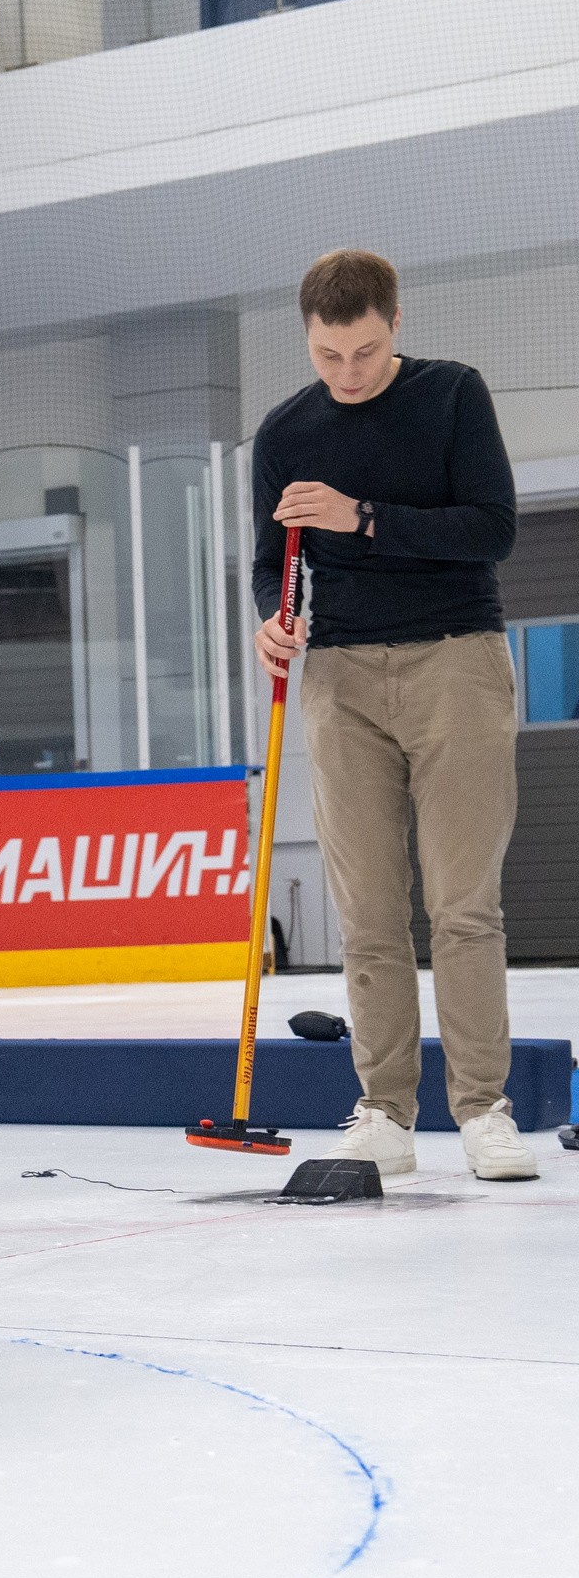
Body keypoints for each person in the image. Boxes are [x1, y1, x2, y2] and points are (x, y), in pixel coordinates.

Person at [253, 249, 532, 1182]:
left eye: (365, 353)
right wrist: (273, 617)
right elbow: (273, 557)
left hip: (456, 657)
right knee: (367, 909)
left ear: (396, 324)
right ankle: (383, 1109)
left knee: (463, 904)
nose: (348, 374)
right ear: (309, 339)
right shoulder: (285, 430)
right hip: (337, 676)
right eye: (329, 356)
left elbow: (492, 527)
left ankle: (485, 1109)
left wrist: (363, 516)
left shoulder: (454, 395)